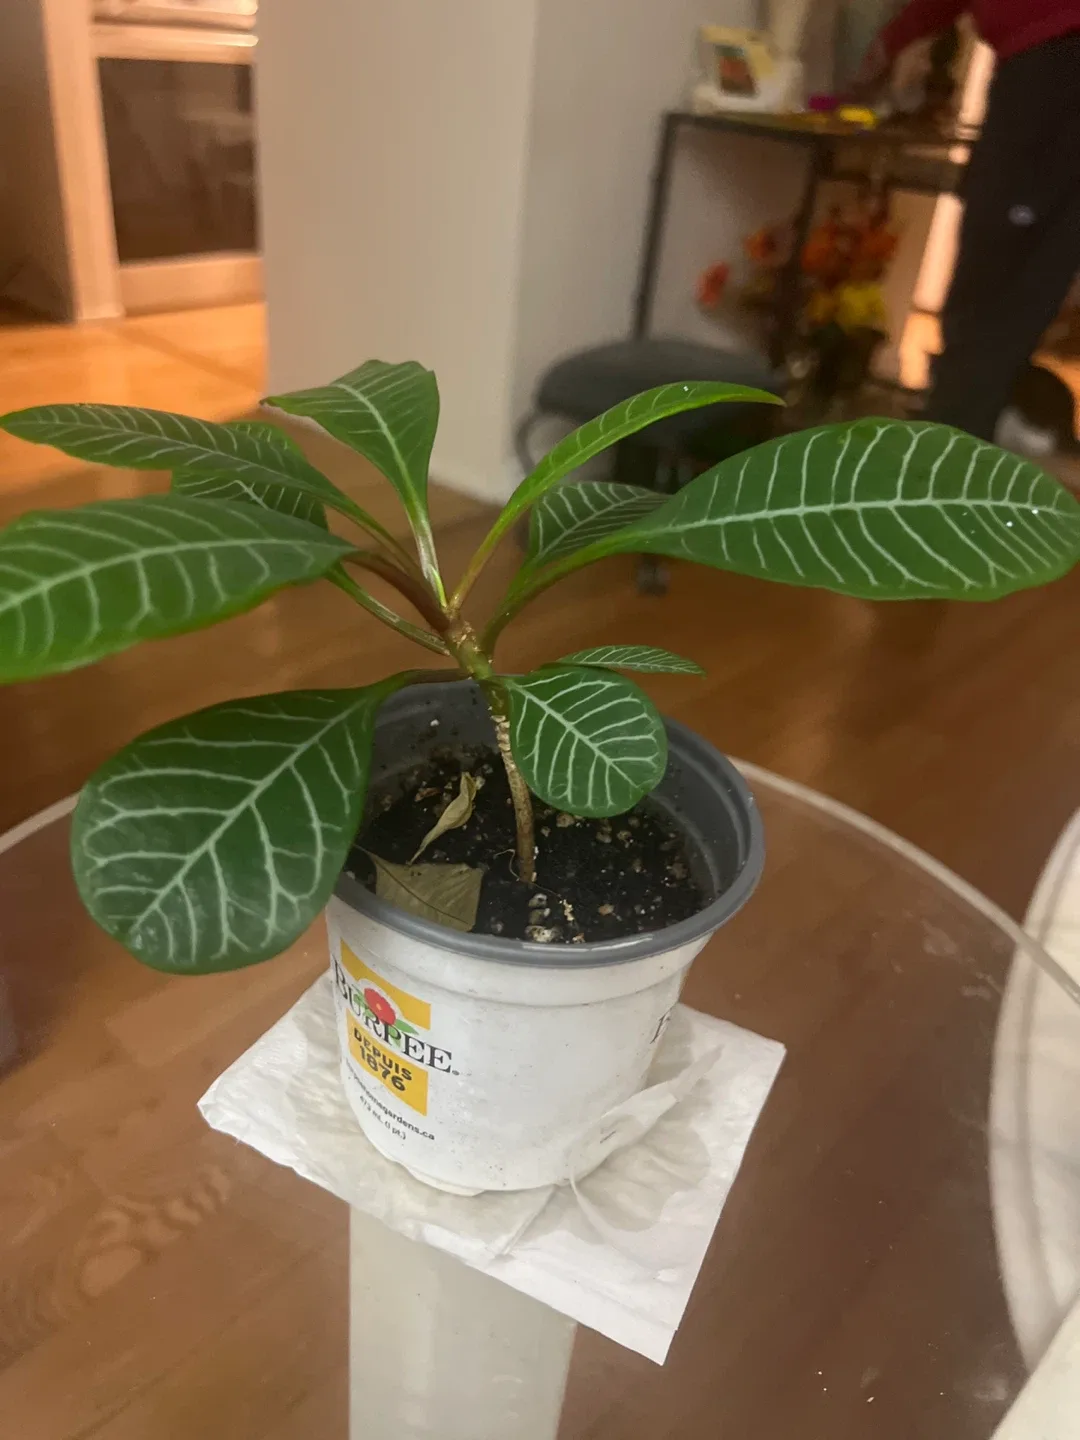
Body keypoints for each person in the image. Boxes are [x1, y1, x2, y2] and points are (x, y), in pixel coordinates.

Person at [859, 2, 1080, 440]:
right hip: (1048, 63)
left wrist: (889, 46)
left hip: (1053, 64)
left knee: (994, 277)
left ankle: (949, 445)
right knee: (1030, 271)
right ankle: (962, 440)